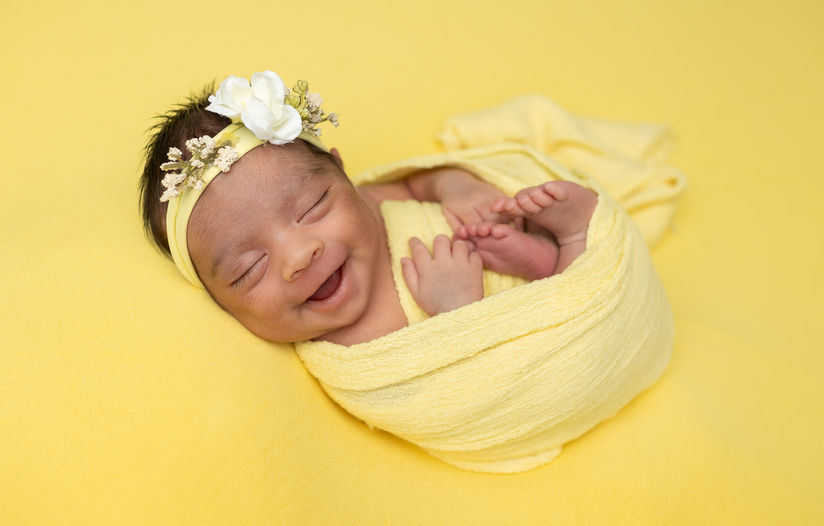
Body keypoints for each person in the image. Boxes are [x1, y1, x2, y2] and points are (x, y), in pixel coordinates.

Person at [140, 71, 597, 347]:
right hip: (540, 329)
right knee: (575, 313)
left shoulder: (371, 202)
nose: (299, 256)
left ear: (343, 175)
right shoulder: (352, 350)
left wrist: (456, 187)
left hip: (497, 235)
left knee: (527, 217)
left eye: (314, 206)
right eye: (249, 268)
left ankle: (560, 245)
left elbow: (417, 180)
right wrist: (457, 313)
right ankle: (572, 248)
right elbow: (454, 391)